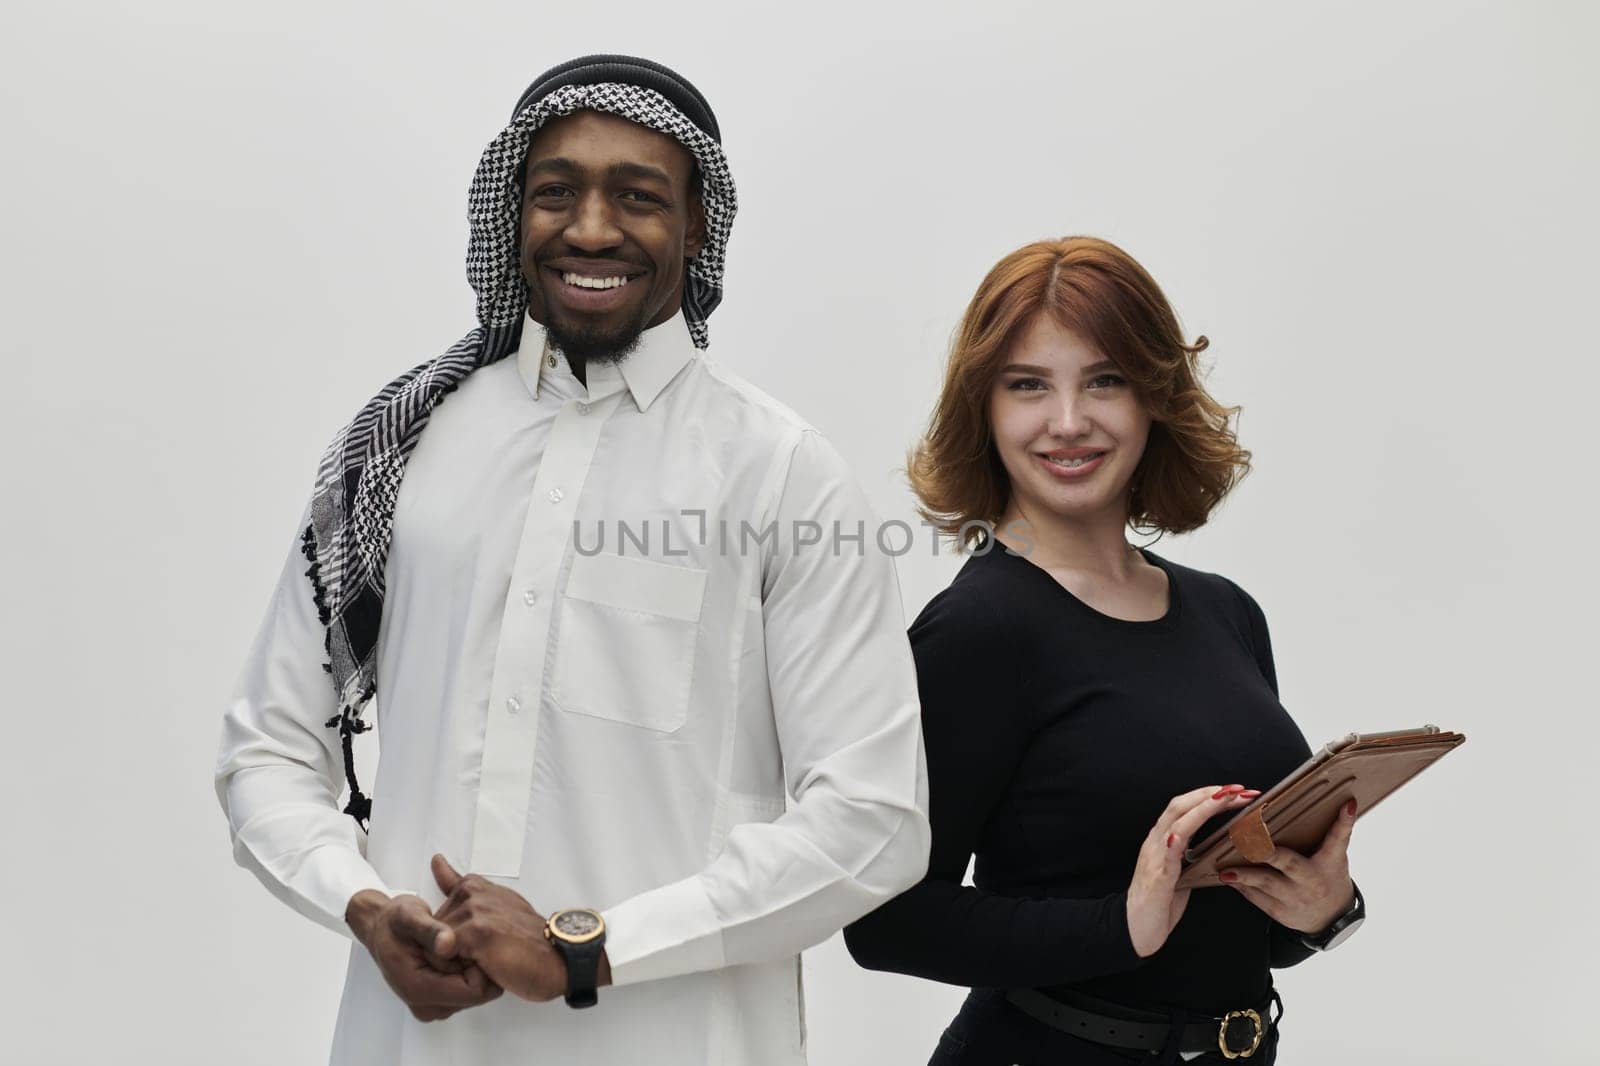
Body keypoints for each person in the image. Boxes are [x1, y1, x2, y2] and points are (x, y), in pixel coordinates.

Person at [215, 55, 929, 1066]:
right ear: (514, 213)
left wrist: (586, 952)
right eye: (556, 192)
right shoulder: (402, 449)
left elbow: (874, 818)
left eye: (638, 197)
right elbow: (267, 753)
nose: (591, 229)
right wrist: (364, 903)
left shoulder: (782, 476)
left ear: (695, 226)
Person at [843, 237, 1365, 1065]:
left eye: (1105, 381)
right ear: (983, 409)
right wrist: (1120, 921)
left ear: (1155, 398)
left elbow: (1240, 941)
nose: (1068, 421)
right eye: (1028, 386)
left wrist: (1323, 910)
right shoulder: (979, 631)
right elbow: (883, 923)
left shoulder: (1227, 613)